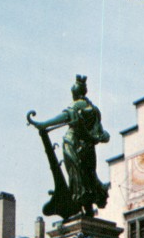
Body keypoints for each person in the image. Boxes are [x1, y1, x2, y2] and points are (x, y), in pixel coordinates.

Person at [28, 75, 111, 218]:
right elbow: (103, 133)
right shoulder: (95, 110)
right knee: (88, 176)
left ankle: (80, 208)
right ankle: (88, 210)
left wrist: (43, 124)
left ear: (75, 94)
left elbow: (64, 117)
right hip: (88, 149)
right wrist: (101, 136)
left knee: (76, 176)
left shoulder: (76, 105)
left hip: (72, 144)